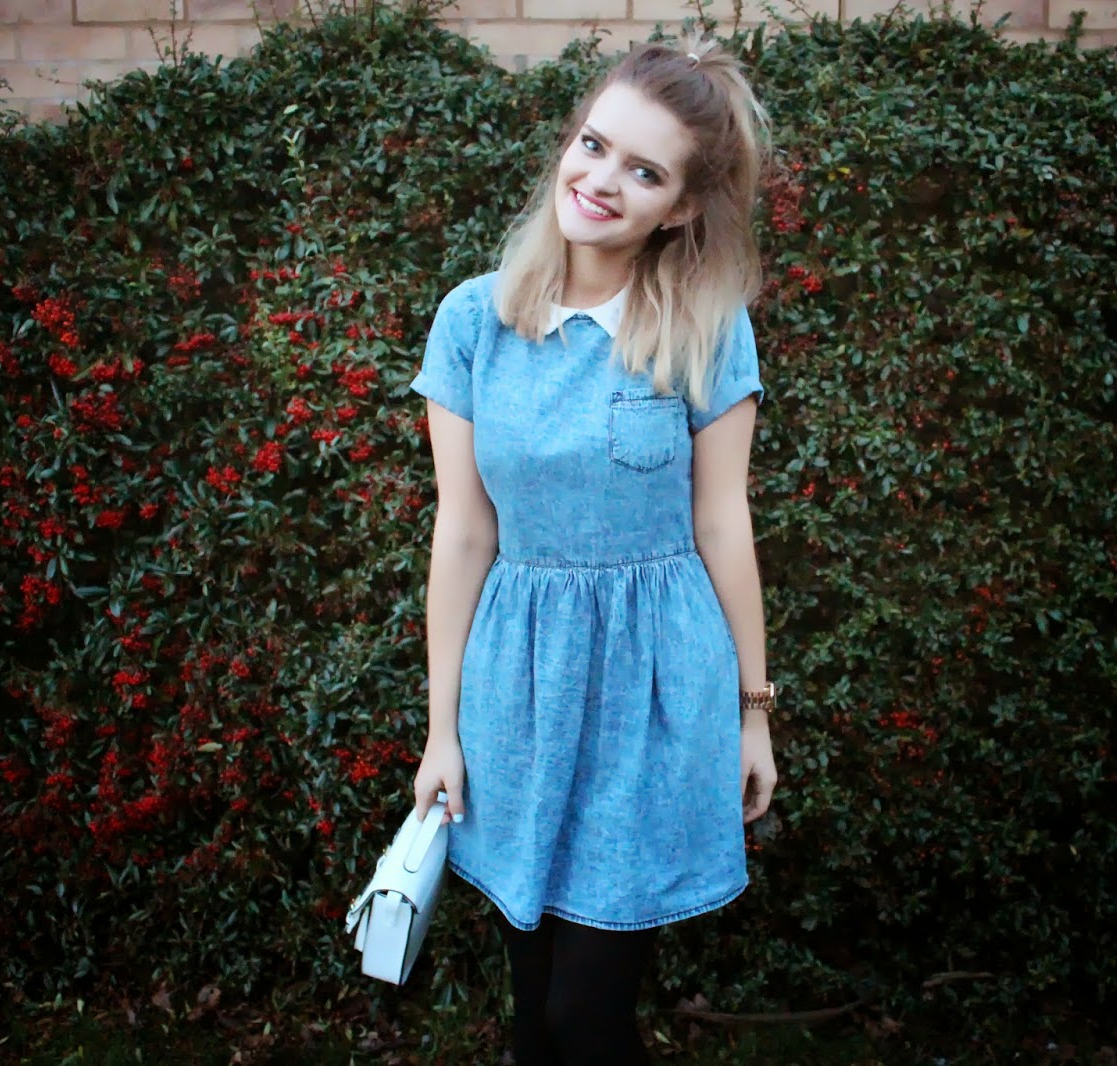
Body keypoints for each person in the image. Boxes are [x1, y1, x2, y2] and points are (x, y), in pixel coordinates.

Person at [408, 31, 778, 1066]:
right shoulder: (474, 321)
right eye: (594, 145)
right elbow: (464, 532)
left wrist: (754, 712)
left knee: (586, 1018)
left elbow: (722, 523)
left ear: (683, 207)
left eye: (645, 171)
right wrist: (441, 732)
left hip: (654, 696)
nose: (603, 181)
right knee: (532, 1017)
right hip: (518, 693)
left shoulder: (706, 328)